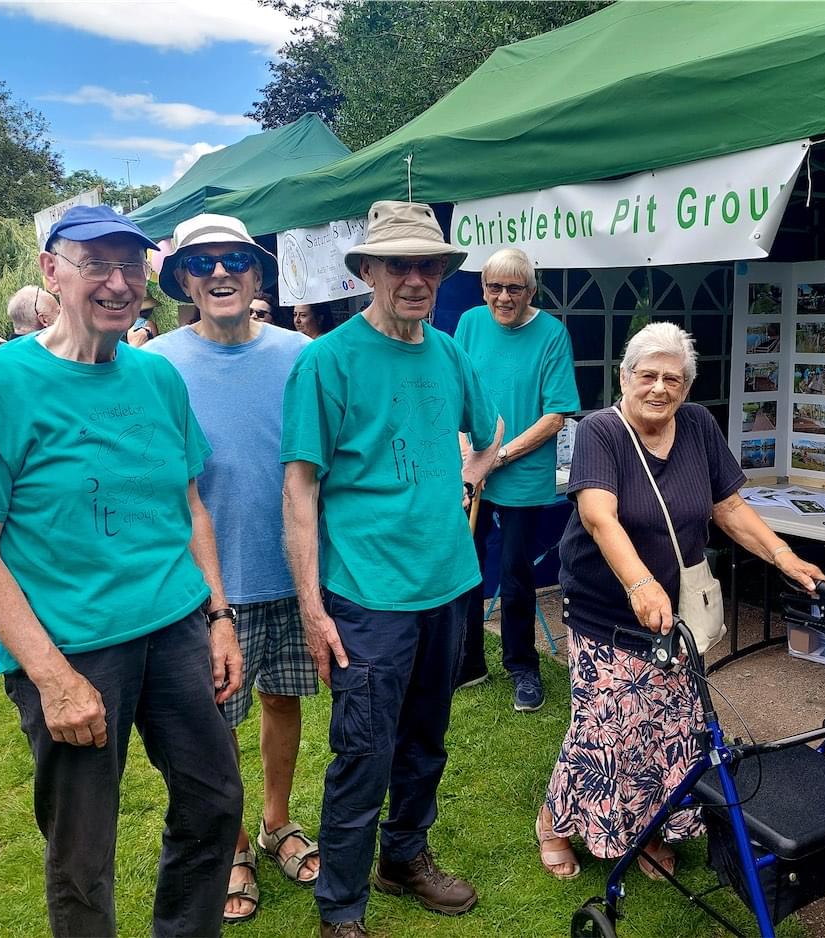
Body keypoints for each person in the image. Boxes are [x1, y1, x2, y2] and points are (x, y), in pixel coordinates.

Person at [0, 203, 244, 937]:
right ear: (52, 272)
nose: (118, 283)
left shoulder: (157, 378)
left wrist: (219, 616)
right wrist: (52, 678)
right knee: (82, 856)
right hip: (71, 647)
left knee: (214, 804)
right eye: (97, 265)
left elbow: (191, 507)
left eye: (131, 266)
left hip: (174, 626)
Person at [282, 200, 502, 938]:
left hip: (448, 581)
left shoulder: (447, 352)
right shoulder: (327, 360)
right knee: (363, 751)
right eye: (399, 264)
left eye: (429, 265)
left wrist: (470, 478)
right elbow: (300, 489)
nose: (416, 278)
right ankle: (339, 908)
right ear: (368, 271)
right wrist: (313, 609)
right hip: (367, 595)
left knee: (427, 737)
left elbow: (489, 430)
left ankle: (403, 858)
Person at [537, 321, 825, 881]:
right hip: (608, 615)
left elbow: (729, 507)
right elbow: (599, 515)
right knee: (605, 730)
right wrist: (641, 584)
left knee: (669, 729)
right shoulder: (600, 431)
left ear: (687, 389)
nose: (660, 388)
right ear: (625, 376)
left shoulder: (696, 426)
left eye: (673, 378)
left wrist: (784, 556)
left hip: (680, 617)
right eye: (648, 375)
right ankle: (555, 819)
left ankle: (647, 833)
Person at [146, 213, 318, 924]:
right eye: (202, 262)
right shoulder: (157, 363)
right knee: (214, 727)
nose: (220, 272)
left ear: (256, 273)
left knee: (284, 701)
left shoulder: (301, 353)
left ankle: (276, 821)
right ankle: (235, 842)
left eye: (234, 260)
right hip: (204, 587)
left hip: (290, 570)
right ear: (184, 279)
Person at [454, 248, 579, 711]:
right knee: (464, 567)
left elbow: (556, 415)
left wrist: (499, 456)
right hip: (472, 468)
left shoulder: (551, 333)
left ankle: (522, 666)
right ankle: (468, 662)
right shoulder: (469, 323)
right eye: (494, 287)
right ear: (483, 287)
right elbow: (457, 392)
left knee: (515, 572)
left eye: (514, 288)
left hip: (521, 471)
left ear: (531, 290)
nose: (503, 297)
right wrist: (468, 450)